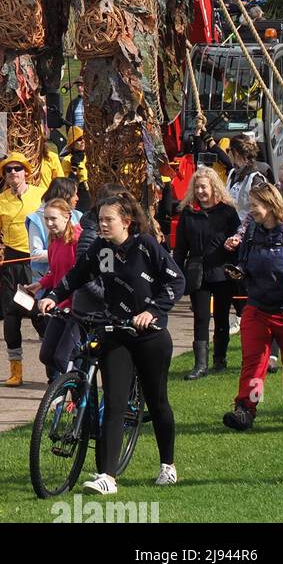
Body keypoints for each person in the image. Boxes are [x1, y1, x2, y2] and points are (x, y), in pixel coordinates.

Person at [39, 192, 182, 491]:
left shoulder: (145, 245)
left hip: (149, 335)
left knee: (157, 403)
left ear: (126, 222)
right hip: (114, 331)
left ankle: (167, 464)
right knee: (114, 402)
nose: (102, 225)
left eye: (109, 220)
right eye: (100, 219)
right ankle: (108, 476)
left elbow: (175, 280)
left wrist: (152, 311)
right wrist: (52, 296)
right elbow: (76, 275)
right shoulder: (102, 250)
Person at [223, 183, 283, 431]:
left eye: (255, 205)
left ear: (270, 205)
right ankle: (247, 409)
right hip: (257, 308)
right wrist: (238, 272)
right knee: (255, 362)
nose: (250, 210)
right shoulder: (252, 232)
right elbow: (243, 261)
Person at [0, 151, 46, 386]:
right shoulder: (0, 201)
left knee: (39, 313)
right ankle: (15, 370)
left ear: (26, 172)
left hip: (37, 261)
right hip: (11, 262)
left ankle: (54, 366)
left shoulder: (41, 196)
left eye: (17, 168)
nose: (13, 173)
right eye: (8, 170)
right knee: (11, 316)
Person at [173, 167, 241, 380]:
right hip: (197, 272)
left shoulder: (227, 212)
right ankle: (200, 365)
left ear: (213, 187)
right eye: (197, 187)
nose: (201, 191)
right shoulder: (188, 213)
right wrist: (176, 272)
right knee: (201, 318)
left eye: (204, 186)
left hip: (222, 271)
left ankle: (219, 360)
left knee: (221, 317)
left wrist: (235, 249)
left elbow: (239, 237)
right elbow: (181, 247)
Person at [32, 197, 83, 379]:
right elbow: (54, 272)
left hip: (76, 304)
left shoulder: (78, 239)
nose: (49, 223)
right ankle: (60, 391)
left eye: (53, 219)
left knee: (63, 357)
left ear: (67, 217)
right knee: (46, 355)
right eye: (46, 219)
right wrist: (40, 284)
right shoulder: (54, 241)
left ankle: (79, 397)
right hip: (59, 304)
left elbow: (80, 275)